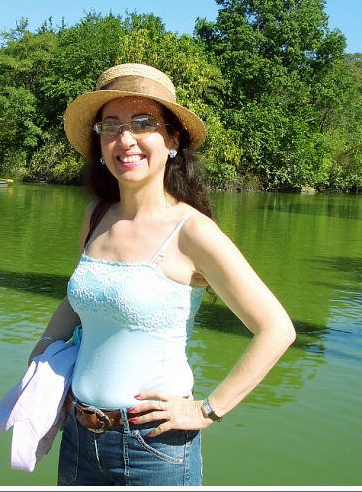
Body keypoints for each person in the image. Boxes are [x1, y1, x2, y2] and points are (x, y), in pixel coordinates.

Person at [27, 63, 296, 486]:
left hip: (153, 445)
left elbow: (276, 329)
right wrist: (42, 353)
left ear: (172, 139)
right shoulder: (97, 215)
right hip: (78, 434)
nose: (125, 138)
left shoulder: (193, 231)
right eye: (110, 125)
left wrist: (208, 409)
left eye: (142, 123)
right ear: (99, 143)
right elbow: (79, 299)